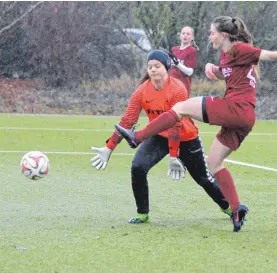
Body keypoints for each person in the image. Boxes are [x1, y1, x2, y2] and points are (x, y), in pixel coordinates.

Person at [114, 16, 277, 232]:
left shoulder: (239, 48)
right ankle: (236, 209)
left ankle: (137, 137)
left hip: (235, 108)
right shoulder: (227, 54)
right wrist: (216, 71)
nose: (209, 36)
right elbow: (233, 73)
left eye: (212, 32)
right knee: (214, 163)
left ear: (223, 35)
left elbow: (271, 55)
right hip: (245, 118)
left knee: (180, 108)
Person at [90, 49, 231, 225]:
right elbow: (127, 120)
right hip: (158, 137)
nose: (153, 70)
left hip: (186, 138)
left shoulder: (178, 88)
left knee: (203, 178)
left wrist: (174, 156)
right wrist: (109, 147)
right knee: (138, 167)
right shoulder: (142, 91)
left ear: (167, 68)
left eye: (157, 66)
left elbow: (175, 124)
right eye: (150, 67)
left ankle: (228, 206)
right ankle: (143, 213)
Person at [168, 26, 198, 96]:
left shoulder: (192, 51)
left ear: (192, 37)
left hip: (182, 89)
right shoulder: (174, 49)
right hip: (171, 87)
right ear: (180, 35)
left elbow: (190, 72)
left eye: (188, 34)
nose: (185, 35)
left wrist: (177, 64)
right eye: (183, 33)